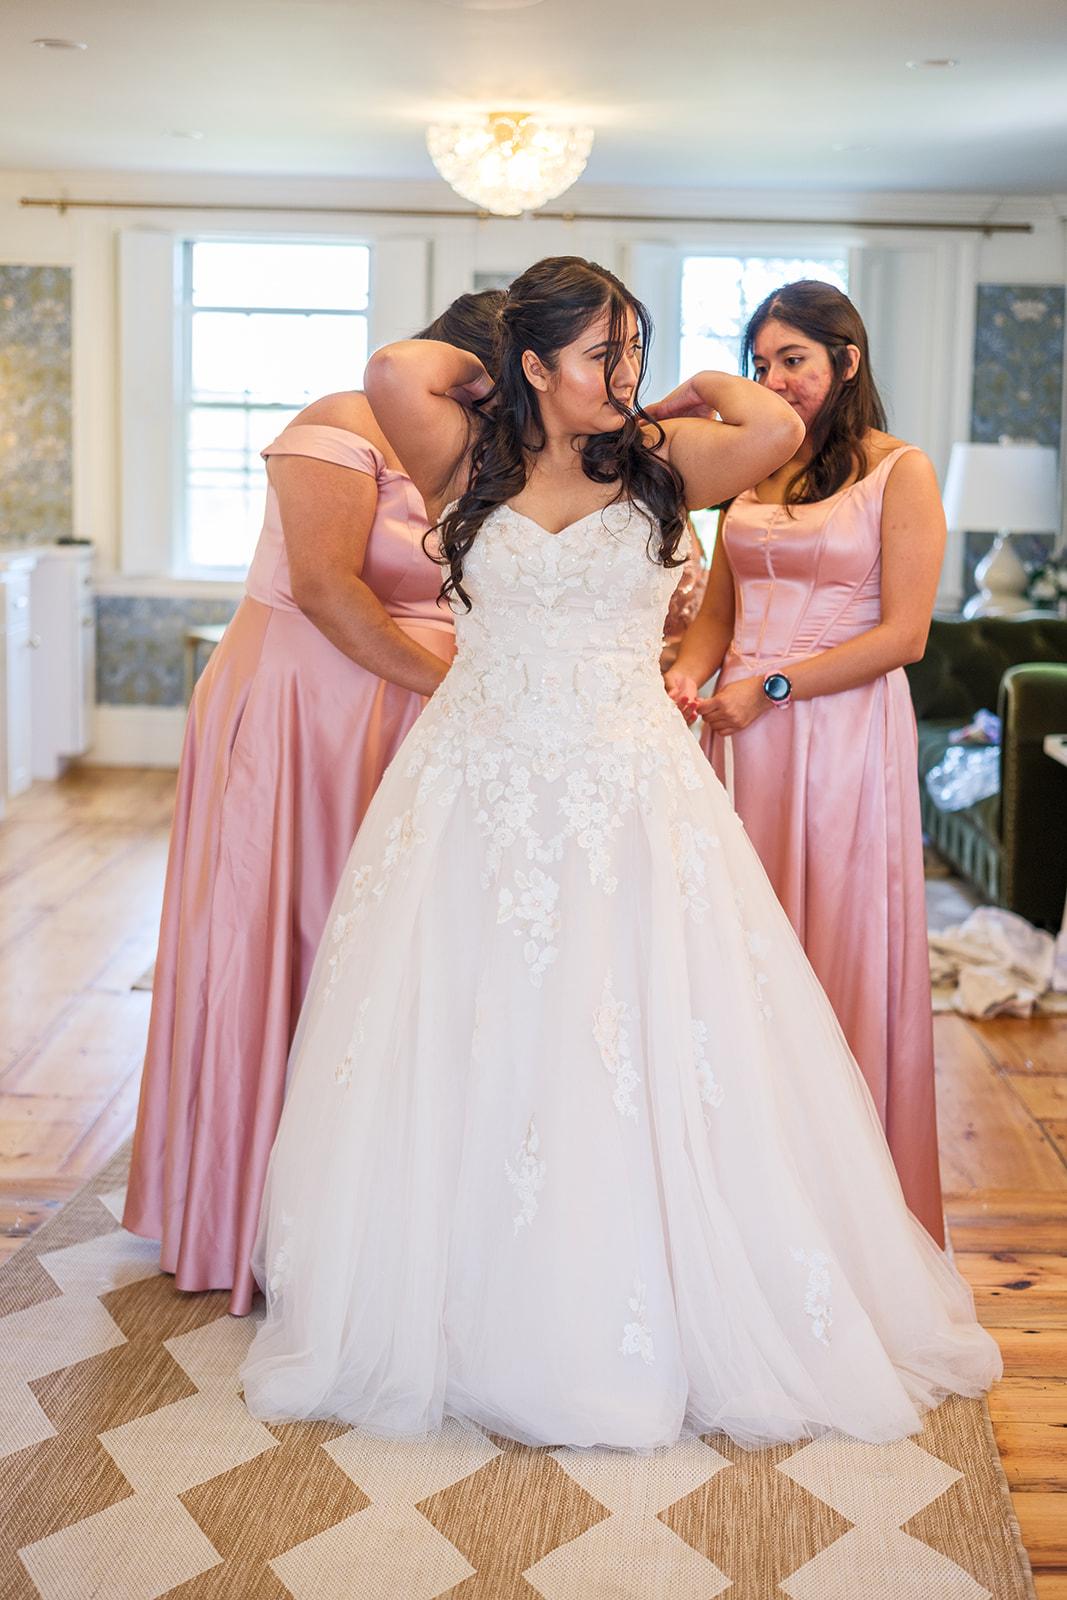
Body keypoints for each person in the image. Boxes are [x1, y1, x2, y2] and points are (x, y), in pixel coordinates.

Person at [240, 257, 999, 1451]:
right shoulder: (464, 458)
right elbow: (394, 367)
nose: (626, 372)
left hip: (624, 787)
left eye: (632, 347)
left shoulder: (655, 460)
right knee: (473, 1023)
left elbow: (766, 421)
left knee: (627, 1023)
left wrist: (663, 389)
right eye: (602, 351)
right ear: (534, 363)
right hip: (478, 783)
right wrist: (503, 376)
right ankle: (464, 1303)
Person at [122, 291, 505, 1316]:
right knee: (285, 932)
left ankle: (369, 1212)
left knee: (388, 949)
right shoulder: (340, 422)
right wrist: (455, 686)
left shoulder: (482, 450)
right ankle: (243, 1208)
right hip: (307, 708)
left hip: (416, 722)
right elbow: (330, 590)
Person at [666, 280, 946, 1244]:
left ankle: (842, 1204)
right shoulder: (752, 469)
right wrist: (685, 681)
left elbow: (904, 635)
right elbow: (718, 613)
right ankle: (739, 1188)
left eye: (793, 360)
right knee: (735, 942)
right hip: (737, 734)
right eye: (760, 364)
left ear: (846, 361)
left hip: (836, 731)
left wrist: (773, 688)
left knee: (827, 937)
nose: (774, 379)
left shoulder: (898, 470)